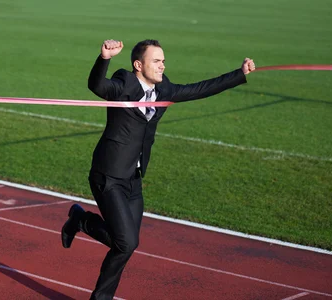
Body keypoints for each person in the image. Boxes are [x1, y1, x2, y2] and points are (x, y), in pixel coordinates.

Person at [61, 39, 255, 299]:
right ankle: (83, 224)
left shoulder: (164, 89)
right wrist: (104, 58)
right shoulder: (125, 83)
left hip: (133, 179)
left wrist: (239, 74)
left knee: (125, 246)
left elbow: (199, 89)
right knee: (126, 242)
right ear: (138, 65)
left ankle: (82, 226)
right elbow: (97, 85)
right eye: (156, 60)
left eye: (163, 60)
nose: (162, 65)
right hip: (108, 175)